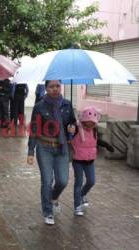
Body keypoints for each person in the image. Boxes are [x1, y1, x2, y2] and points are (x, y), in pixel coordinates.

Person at [27, 80, 76, 225]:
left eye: (58, 86)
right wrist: (31, 151)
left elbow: (72, 123)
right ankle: (47, 211)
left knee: (62, 181)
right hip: (44, 147)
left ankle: (53, 198)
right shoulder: (39, 106)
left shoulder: (67, 104)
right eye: (51, 86)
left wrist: (73, 128)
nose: (55, 89)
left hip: (62, 147)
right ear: (46, 88)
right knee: (47, 181)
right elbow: (34, 129)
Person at [70, 106, 114, 216]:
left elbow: (96, 141)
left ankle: (82, 195)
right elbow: (69, 136)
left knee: (91, 181)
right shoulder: (76, 128)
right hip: (78, 160)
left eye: (92, 122)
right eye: (88, 122)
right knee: (78, 183)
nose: (90, 124)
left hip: (90, 160)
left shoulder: (94, 129)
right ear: (84, 119)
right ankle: (77, 206)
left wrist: (107, 145)